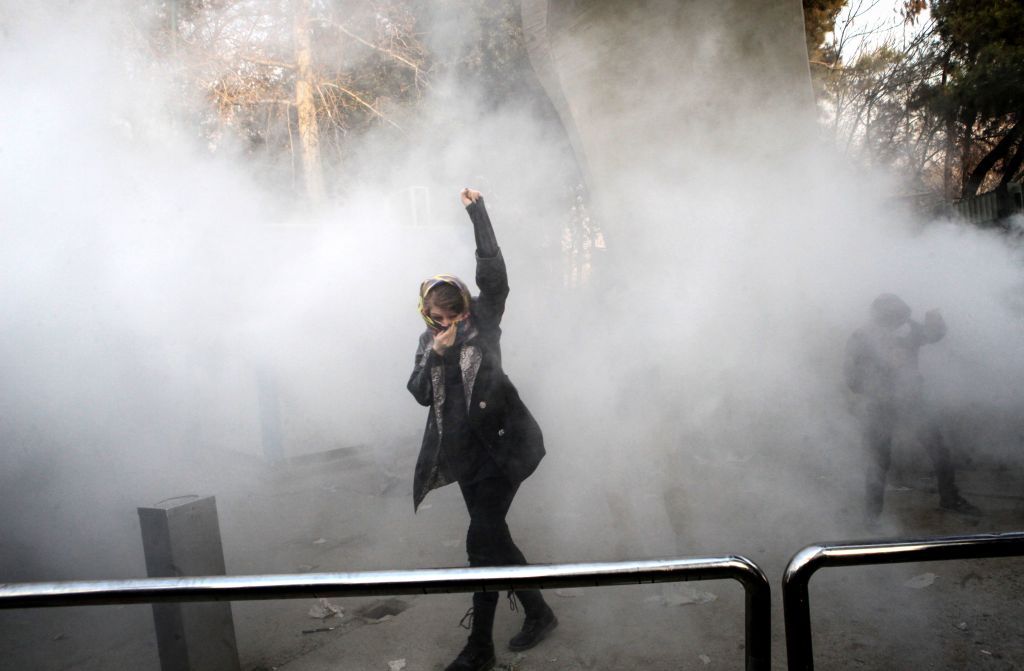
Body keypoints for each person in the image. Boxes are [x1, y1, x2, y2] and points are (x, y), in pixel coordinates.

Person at [407, 188, 557, 671]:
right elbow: (419, 393)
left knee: (480, 545)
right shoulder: (428, 343)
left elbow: (495, 281)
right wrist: (437, 354)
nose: (445, 325)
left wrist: (479, 213)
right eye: (437, 318)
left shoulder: (484, 324)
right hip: (465, 460)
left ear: (466, 311)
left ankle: (480, 648)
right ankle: (539, 613)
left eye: (453, 317)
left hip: (504, 455)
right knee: (496, 540)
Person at [844, 293, 980, 521]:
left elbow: (933, 335)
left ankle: (950, 499)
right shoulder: (861, 338)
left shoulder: (908, 329)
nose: (902, 323)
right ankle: (872, 516)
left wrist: (935, 321)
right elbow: (852, 380)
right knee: (878, 461)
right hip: (880, 406)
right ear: (882, 318)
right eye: (895, 319)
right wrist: (881, 379)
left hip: (913, 401)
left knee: (939, 451)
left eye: (902, 318)